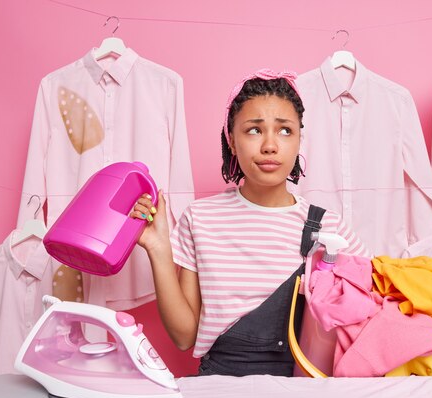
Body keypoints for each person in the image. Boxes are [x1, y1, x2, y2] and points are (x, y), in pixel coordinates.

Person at [131, 69, 369, 376]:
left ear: (299, 141)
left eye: (285, 131)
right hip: (221, 386)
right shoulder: (199, 218)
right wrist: (158, 249)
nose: (270, 145)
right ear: (231, 140)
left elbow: (364, 324)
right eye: (254, 130)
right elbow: (183, 337)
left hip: (305, 389)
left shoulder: (330, 227)